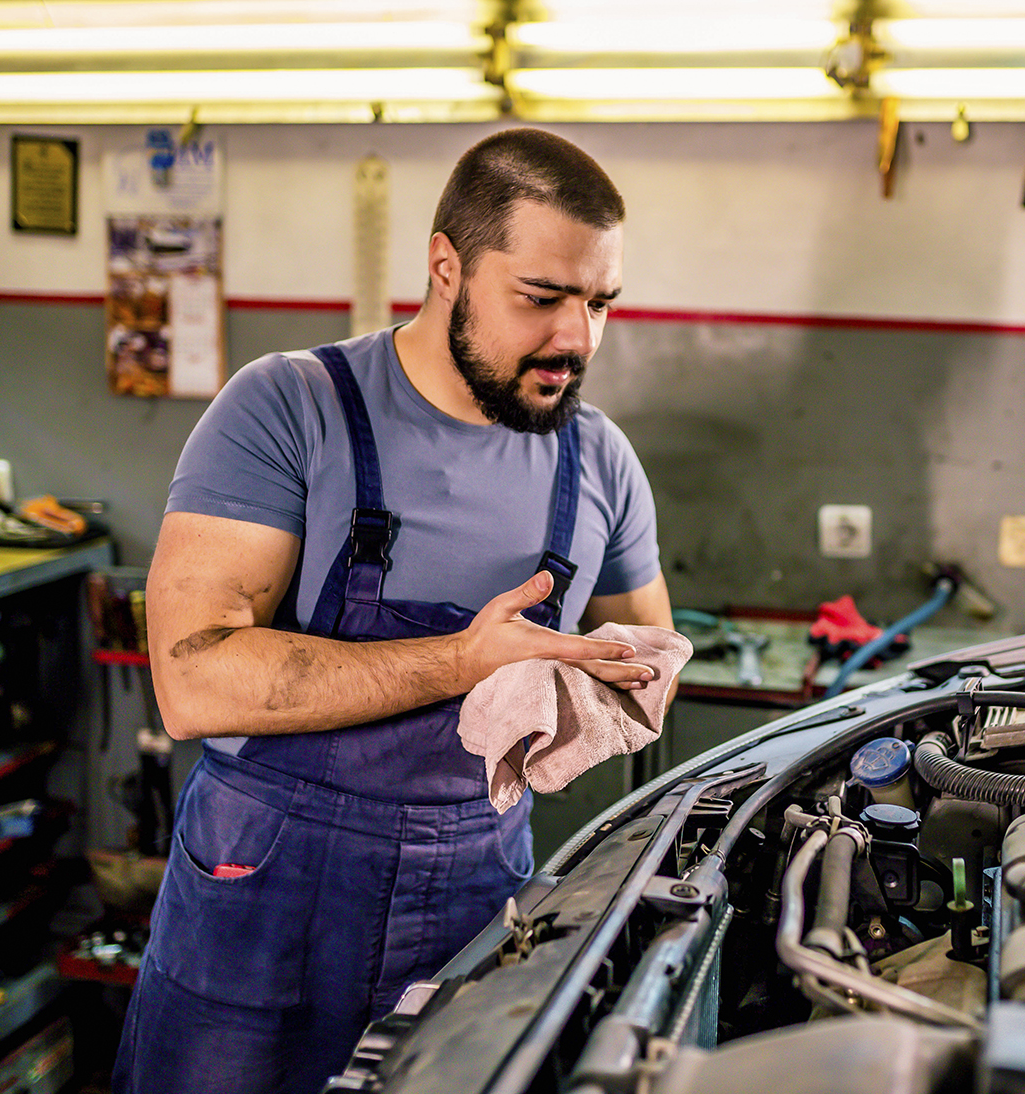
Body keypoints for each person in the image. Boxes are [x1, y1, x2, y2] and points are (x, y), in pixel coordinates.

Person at [112, 127, 673, 1094]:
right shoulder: (288, 408)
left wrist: (619, 682)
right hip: (267, 893)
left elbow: (648, 649)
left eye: (599, 303)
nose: (576, 338)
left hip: (476, 886)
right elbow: (192, 679)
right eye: (540, 299)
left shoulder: (603, 464)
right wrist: (464, 663)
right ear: (445, 268)